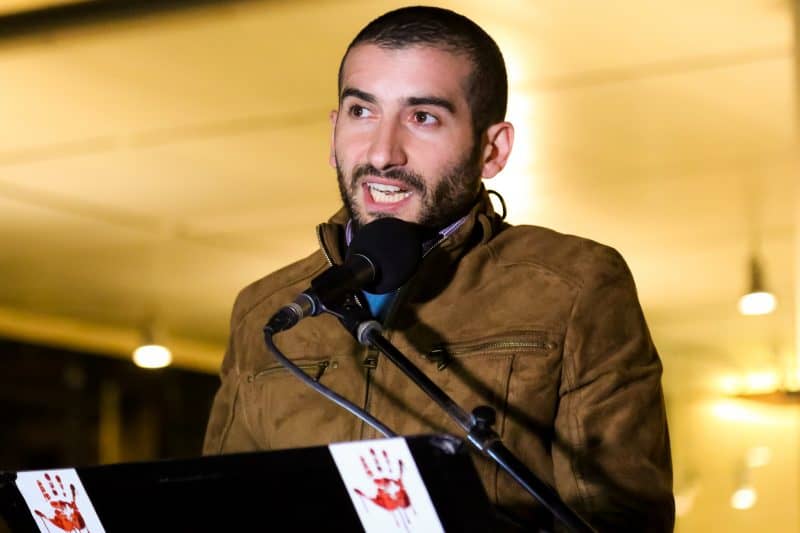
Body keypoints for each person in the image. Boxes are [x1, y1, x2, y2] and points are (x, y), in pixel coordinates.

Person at [203, 6, 674, 532]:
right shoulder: (266, 311)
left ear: (491, 150)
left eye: (422, 117)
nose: (382, 153)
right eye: (362, 111)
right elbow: (219, 511)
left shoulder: (573, 286)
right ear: (334, 131)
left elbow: (621, 522)